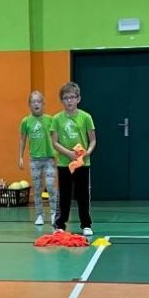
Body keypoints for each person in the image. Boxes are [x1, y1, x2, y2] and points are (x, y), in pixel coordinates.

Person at [50, 81, 97, 236]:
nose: (69, 101)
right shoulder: (57, 119)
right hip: (64, 163)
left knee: (83, 195)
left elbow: (93, 140)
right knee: (64, 195)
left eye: (72, 97)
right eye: (66, 98)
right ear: (62, 100)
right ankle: (60, 224)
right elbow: (55, 142)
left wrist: (87, 152)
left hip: (82, 163)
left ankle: (86, 224)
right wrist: (68, 154)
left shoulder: (86, 117)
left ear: (78, 99)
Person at [18, 90, 59, 227]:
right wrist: (20, 156)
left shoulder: (50, 120)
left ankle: (54, 212)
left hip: (49, 158)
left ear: (43, 103)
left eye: (39, 101)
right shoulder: (26, 121)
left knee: (50, 186)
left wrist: (58, 153)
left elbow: (56, 138)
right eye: (33, 102)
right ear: (29, 104)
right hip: (35, 160)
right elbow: (22, 139)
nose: (36, 104)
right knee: (37, 188)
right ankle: (39, 215)